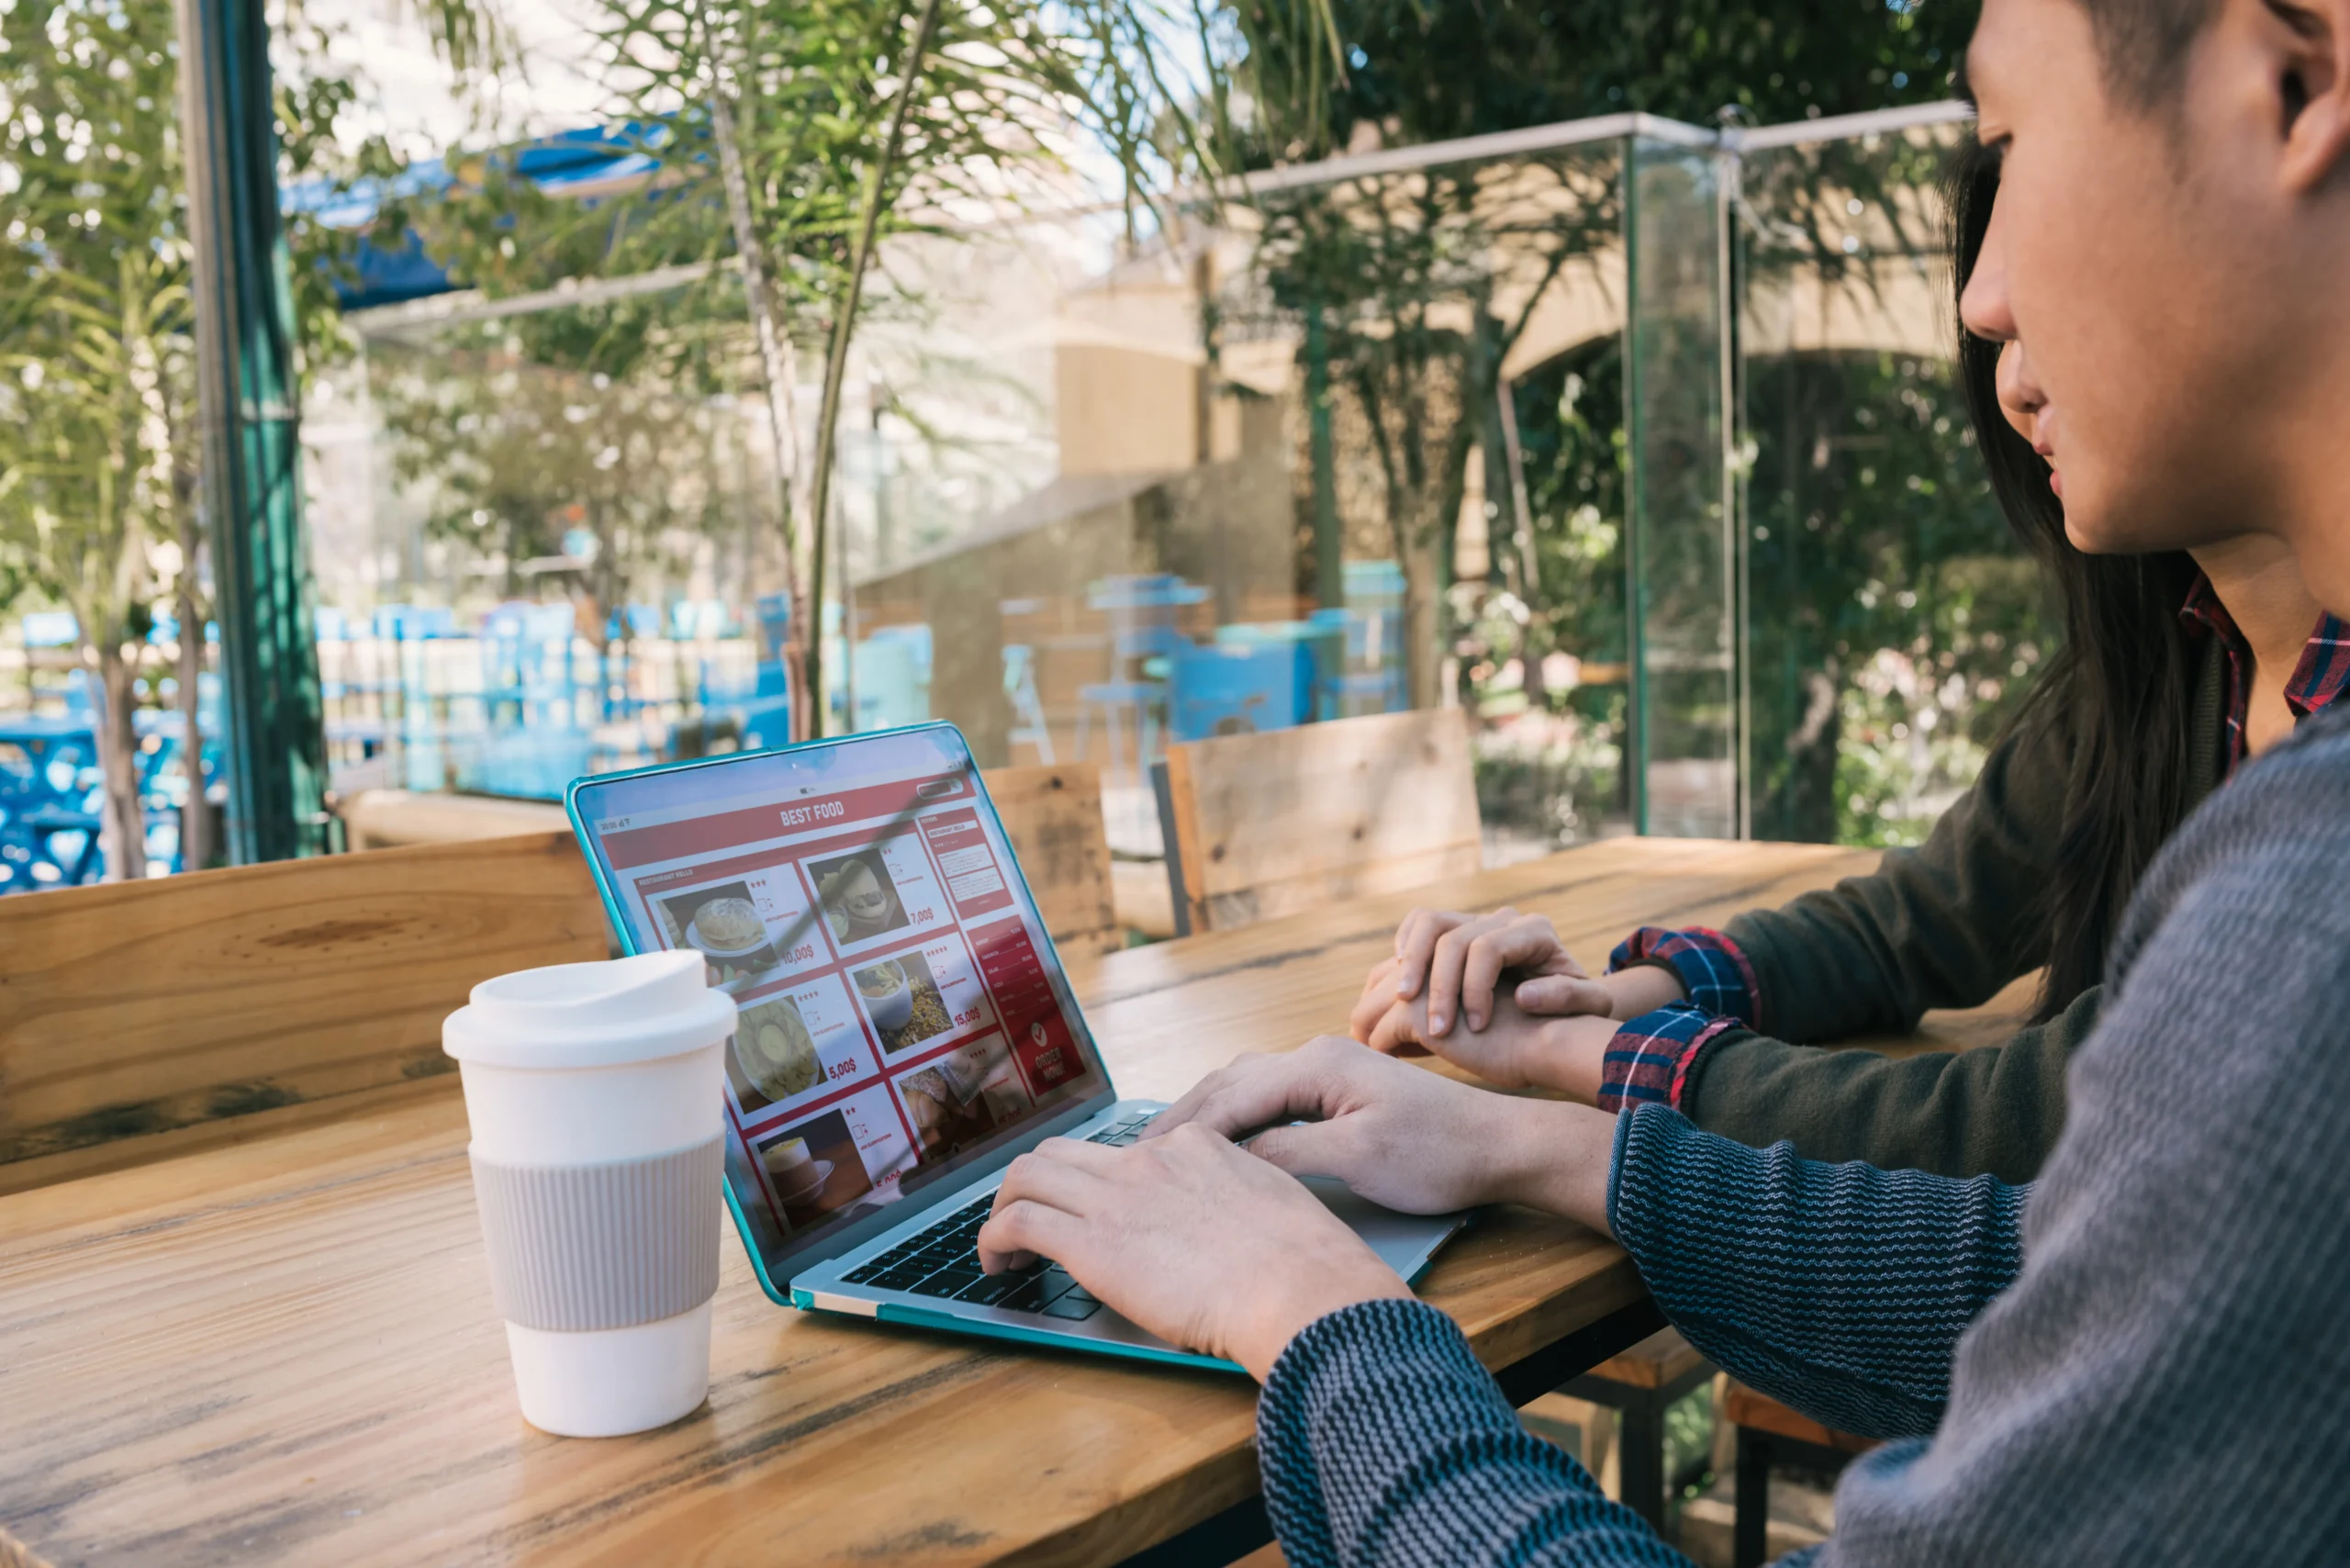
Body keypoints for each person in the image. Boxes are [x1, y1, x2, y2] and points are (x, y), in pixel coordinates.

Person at [976, 0, 2350, 1562]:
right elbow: (2070, 1270)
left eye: (2009, 147)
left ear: (2295, 70)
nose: (1979, 300)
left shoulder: (2313, 909)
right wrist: (1531, 1139)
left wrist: (1315, 1316)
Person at [1340, 146, 2346, 1185]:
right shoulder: (2162, 669)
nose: (2008, 382)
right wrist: (1606, 999)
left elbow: (2051, 1109)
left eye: (2048, 302)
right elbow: (1914, 921)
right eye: (1998, 335)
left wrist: (1577, 1066)